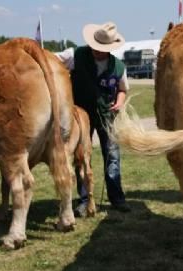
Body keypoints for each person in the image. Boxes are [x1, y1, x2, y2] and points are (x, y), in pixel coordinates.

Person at [56, 22, 131, 216]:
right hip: (79, 116)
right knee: (80, 157)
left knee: (112, 156)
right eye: (96, 47)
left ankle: (117, 198)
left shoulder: (119, 66)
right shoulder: (74, 55)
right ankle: (83, 201)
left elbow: (122, 89)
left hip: (107, 116)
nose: (97, 51)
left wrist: (120, 102)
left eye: (102, 49)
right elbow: (52, 63)